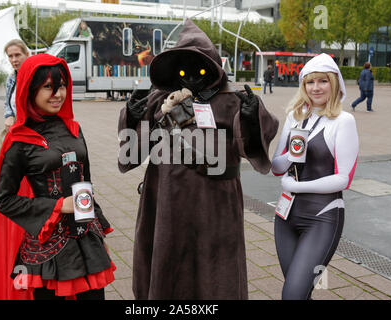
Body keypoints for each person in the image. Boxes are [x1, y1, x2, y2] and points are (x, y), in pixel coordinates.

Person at [118, 19, 278, 299]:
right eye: (184, 71)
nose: (192, 78)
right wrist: (131, 117)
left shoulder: (232, 100)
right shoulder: (158, 100)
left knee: (214, 269)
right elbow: (133, 150)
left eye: (201, 70)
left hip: (214, 203)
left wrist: (252, 118)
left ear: (214, 68)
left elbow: (250, 145)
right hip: (166, 199)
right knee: (168, 263)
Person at [0, 54, 116, 300]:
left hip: (87, 241)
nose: (57, 94)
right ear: (30, 90)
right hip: (47, 251)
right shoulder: (19, 141)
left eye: (62, 85)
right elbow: (4, 200)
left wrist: (98, 231)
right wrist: (57, 205)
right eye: (48, 87)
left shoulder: (74, 129)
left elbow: (86, 182)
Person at [271, 53, 359, 300]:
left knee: (292, 295)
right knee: (300, 293)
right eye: (310, 82)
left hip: (322, 217)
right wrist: (291, 156)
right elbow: (276, 166)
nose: (316, 88)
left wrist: (296, 186)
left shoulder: (344, 121)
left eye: (323, 81)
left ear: (334, 83)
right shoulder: (294, 116)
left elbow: (343, 179)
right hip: (285, 218)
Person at [3, 39, 30, 131]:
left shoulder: (36, 76)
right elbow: (7, 102)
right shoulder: (11, 78)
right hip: (16, 124)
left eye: (17, 55)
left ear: (27, 55)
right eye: (10, 56)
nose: (14, 60)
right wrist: (9, 115)